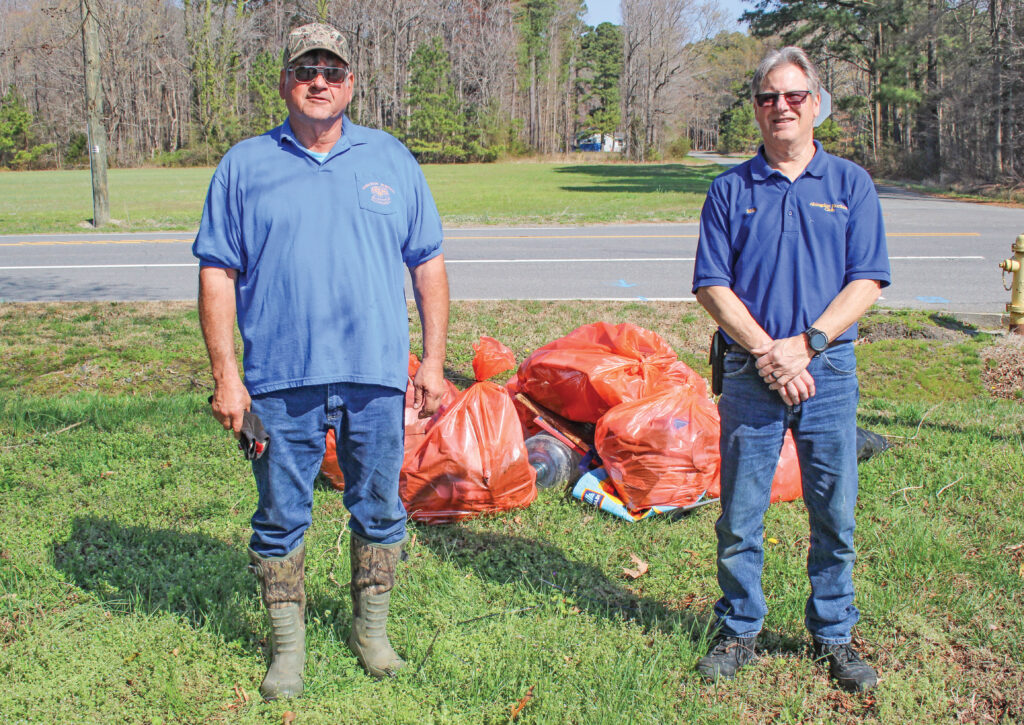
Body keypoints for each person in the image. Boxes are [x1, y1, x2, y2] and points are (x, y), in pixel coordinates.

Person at [193, 22, 449, 700]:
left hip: (374, 376)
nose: (319, 81)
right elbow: (216, 272)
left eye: (331, 70)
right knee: (280, 514)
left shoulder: (391, 160)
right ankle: (287, 650)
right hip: (279, 381)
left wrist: (433, 361)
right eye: (305, 69)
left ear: (351, 83)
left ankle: (371, 631)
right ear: (284, 81)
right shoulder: (244, 165)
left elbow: (428, 263)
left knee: (379, 505)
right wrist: (226, 375)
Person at [691, 46, 890, 692]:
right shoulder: (729, 189)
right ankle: (739, 627)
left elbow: (867, 280)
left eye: (794, 96)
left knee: (834, 511)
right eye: (769, 97)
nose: (782, 107)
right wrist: (769, 354)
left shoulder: (850, 186)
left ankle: (833, 632)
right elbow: (712, 287)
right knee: (741, 514)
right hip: (752, 375)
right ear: (755, 108)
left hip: (827, 371)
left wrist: (806, 344)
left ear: (816, 104)